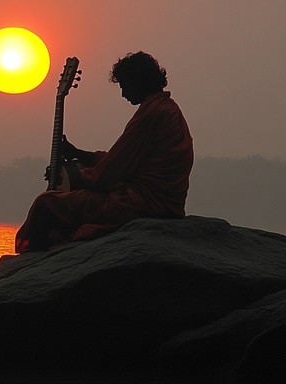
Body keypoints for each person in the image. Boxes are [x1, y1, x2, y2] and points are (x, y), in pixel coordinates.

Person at [15, 51, 194, 253]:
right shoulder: (166, 109)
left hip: (138, 205)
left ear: (138, 81)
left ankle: (29, 258)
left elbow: (110, 171)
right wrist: (79, 154)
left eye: (124, 86)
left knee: (45, 203)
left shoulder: (152, 114)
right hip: (160, 204)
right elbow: (120, 160)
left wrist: (77, 176)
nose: (123, 94)